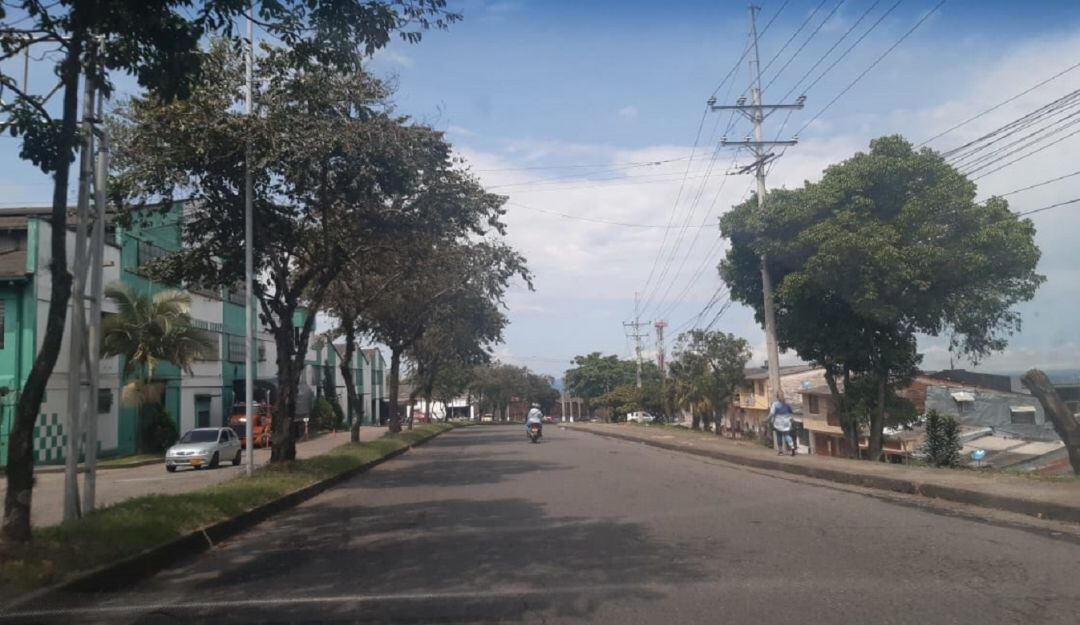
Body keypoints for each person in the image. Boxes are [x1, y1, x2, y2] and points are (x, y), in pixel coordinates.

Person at [769, 391, 795, 456]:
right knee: (787, 435)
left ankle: (780, 451)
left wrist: (767, 419)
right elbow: (791, 412)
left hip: (778, 422)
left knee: (779, 436)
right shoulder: (787, 403)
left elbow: (772, 414)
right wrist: (790, 420)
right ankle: (792, 447)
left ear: (777, 397)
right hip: (786, 422)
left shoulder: (775, 404)